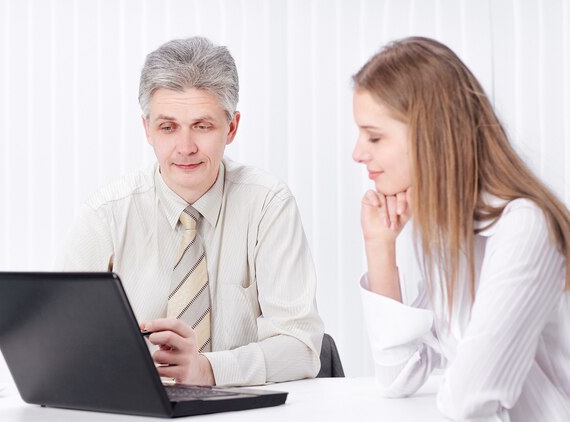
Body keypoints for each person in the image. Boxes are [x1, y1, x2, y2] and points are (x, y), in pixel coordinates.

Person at [57, 36, 324, 387]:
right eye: (168, 127)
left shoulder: (268, 205)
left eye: (202, 126)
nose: (185, 148)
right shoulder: (106, 215)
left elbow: (301, 346)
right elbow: (62, 342)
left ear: (231, 128)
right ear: (147, 130)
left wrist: (209, 370)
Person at [352, 36, 570, 421]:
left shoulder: (524, 227)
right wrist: (379, 245)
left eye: (374, 136)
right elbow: (396, 377)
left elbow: (470, 401)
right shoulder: (446, 232)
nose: (358, 152)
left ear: (429, 134)